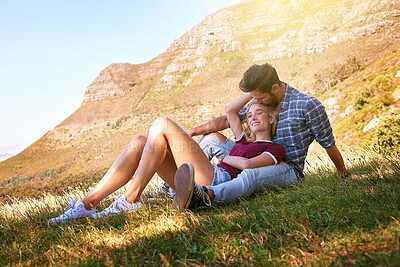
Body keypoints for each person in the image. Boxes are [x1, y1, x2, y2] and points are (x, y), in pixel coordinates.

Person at [48, 93, 284, 224]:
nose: (252, 118)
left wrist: (228, 157)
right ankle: (86, 205)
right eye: (250, 115)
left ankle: (129, 201)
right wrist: (253, 92)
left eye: (259, 113)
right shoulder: (243, 139)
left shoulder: (275, 148)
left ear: (271, 119)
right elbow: (231, 110)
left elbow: (247, 165)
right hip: (209, 171)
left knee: (162, 123)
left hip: (216, 178)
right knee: (140, 141)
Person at [173, 62, 351, 209]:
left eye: (259, 98)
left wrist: (344, 173)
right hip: (255, 150)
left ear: (274, 88)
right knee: (212, 139)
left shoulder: (307, 105)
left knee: (250, 174)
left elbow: (328, 143)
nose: (256, 102)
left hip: (285, 167)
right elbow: (230, 118)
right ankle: (174, 187)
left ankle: (205, 196)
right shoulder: (260, 101)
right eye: (253, 97)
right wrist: (194, 131)